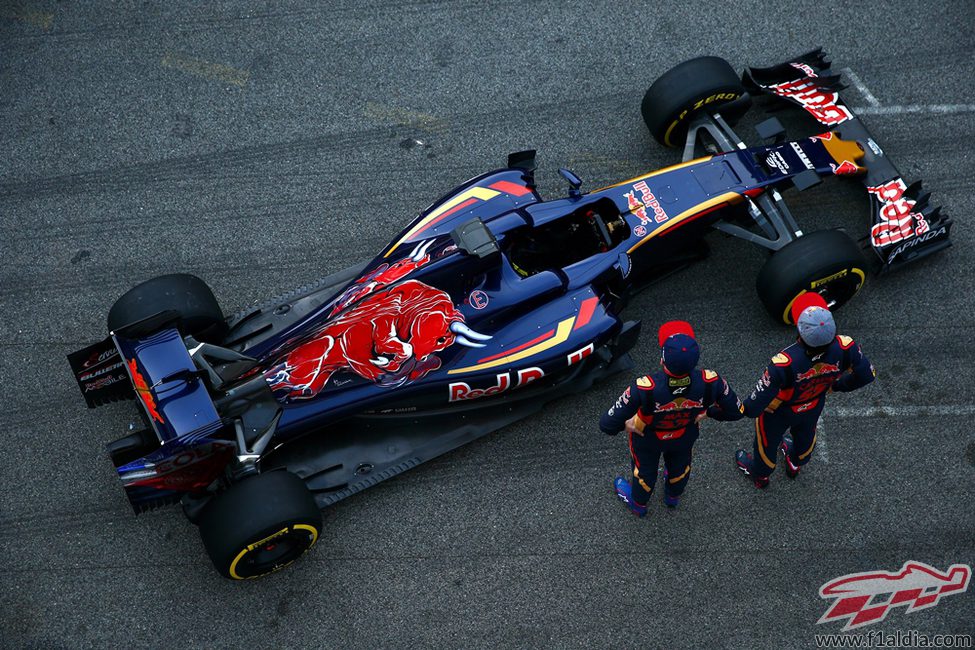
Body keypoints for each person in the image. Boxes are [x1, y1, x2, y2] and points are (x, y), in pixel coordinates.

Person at [599, 321, 744, 516]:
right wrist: (708, 413)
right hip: (684, 434)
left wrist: (627, 425)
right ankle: (672, 497)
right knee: (680, 467)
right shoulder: (711, 382)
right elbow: (736, 411)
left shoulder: (644, 387)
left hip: (647, 437)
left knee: (644, 473)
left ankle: (638, 505)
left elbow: (607, 425)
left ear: (662, 360)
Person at [735, 293, 875, 488]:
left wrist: (738, 408)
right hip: (814, 403)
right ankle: (795, 463)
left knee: (766, 443)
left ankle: (761, 475)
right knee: (806, 435)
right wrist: (837, 386)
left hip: (780, 410)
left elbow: (753, 406)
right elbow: (866, 375)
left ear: (800, 333)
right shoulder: (845, 347)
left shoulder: (784, 362)